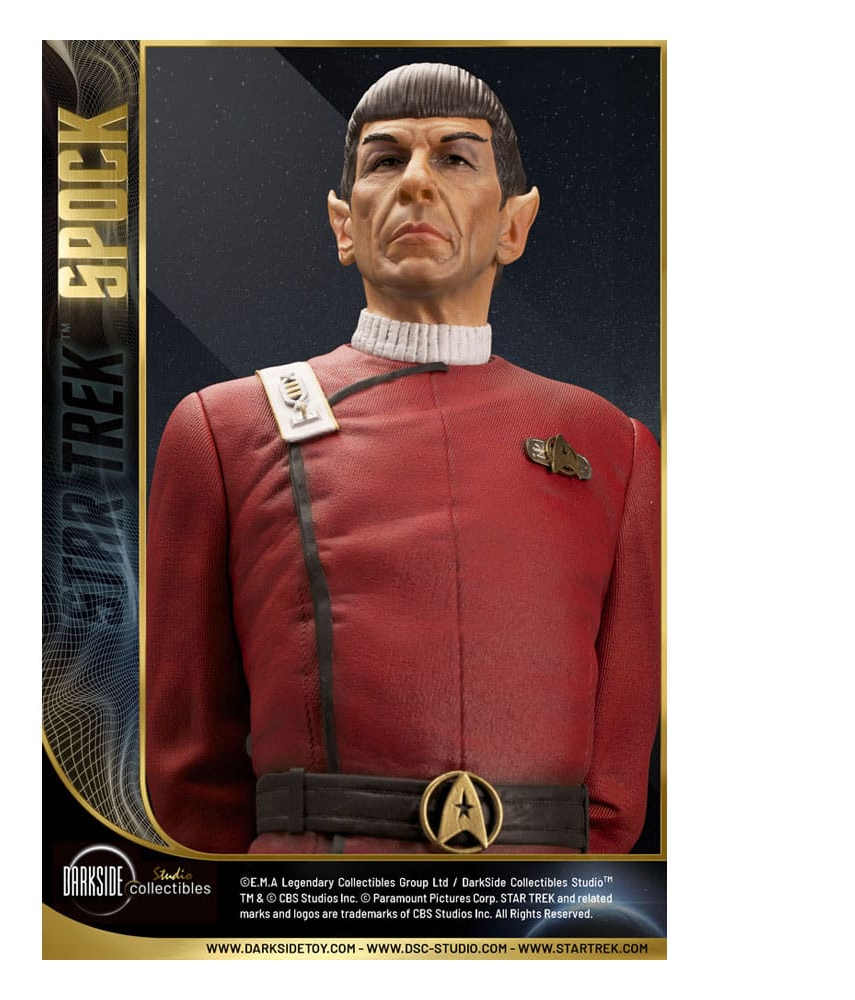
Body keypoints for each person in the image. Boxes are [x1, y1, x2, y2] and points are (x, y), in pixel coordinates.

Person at [146, 63, 659, 856]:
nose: (418, 181)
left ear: (515, 223)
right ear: (344, 223)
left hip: (541, 914)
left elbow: (618, 783)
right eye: (385, 160)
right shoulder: (223, 429)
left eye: (456, 157)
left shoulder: (611, 444)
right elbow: (189, 780)